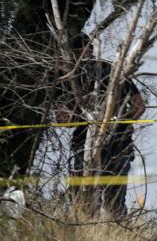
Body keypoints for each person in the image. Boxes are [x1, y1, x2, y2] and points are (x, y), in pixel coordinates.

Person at [62, 34, 146, 217]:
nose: (82, 55)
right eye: (77, 52)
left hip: (118, 145)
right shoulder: (70, 79)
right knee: (82, 198)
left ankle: (117, 237)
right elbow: (63, 119)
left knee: (115, 201)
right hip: (83, 145)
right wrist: (82, 114)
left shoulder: (110, 70)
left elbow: (139, 105)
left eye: (85, 49)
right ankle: (87, 236)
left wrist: (117, 121)